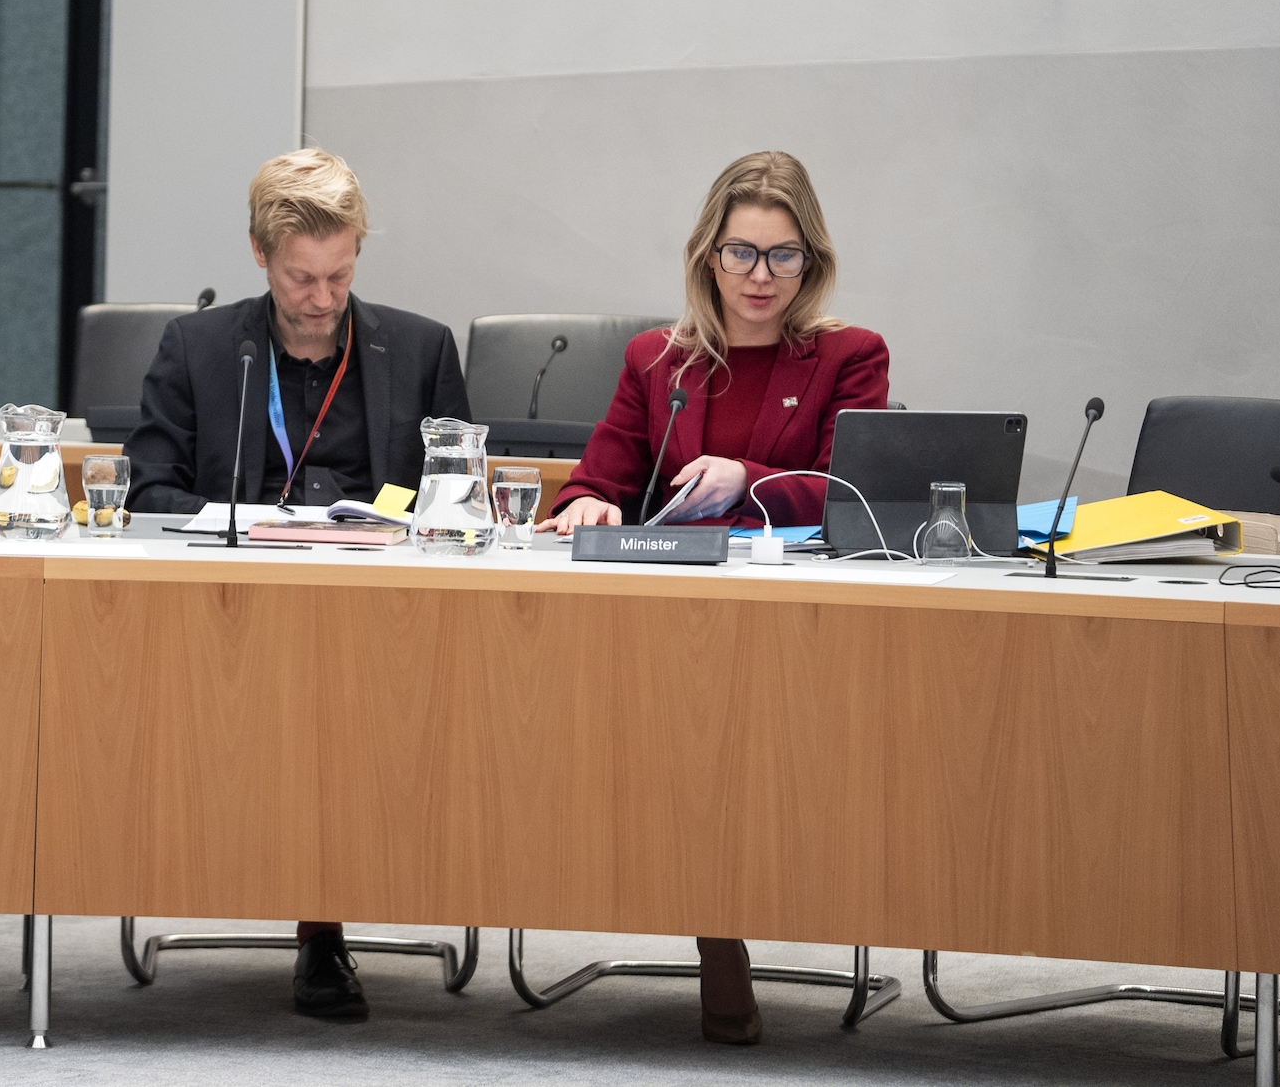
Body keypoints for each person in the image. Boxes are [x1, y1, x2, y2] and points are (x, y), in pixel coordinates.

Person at [541, 148, 889, 1044]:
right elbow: (597, 476)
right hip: (671, 617)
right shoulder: (659, 357)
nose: (760, 276)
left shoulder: (849, 356)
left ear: (811, 260)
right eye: (741, 253)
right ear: (708, 254)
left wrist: (750, 474)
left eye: (782, 255)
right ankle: (716, 932)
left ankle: (719, 931)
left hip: (792, 619)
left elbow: (860, 490)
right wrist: (586, 499)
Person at [126, 147, 469, 1023]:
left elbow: (456, 493)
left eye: (339, 274)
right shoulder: (200, 347)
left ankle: (323, 924)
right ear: (258, 254)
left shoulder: (422, 348)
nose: (321, 299)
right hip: (232, 610)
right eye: (300, 278)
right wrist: (236, 522)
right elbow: (147, 485)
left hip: (379, 616)